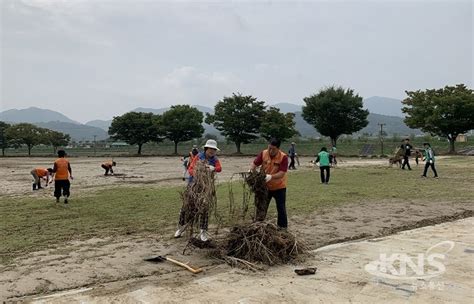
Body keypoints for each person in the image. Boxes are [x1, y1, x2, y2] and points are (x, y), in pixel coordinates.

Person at [174, 139, 222, 241]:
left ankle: (203, 231)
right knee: (186, 207)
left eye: (214, 149)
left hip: (206, 188)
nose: (212, 151)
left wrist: (213, 168)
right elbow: (190, 168)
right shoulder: (199, 157)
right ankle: (181, 227)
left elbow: (219, 168)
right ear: (206, 149)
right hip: (193, 185)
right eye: (210, 149)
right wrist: (197, 175)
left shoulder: (215, 159)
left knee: (204, 208)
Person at [250, 138, 289, 229]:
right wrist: (251, 170)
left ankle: (282, 228)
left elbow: (282, 173)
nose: (270, 151)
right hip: (265, 187)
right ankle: (259, 225)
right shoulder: (263, 153)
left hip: (279, 187)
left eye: (273, 149)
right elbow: (254, 164)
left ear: (278, 148)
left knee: (281, 208)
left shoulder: (283, 157)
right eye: (269, 148)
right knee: (261, 206)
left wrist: (271, 177)